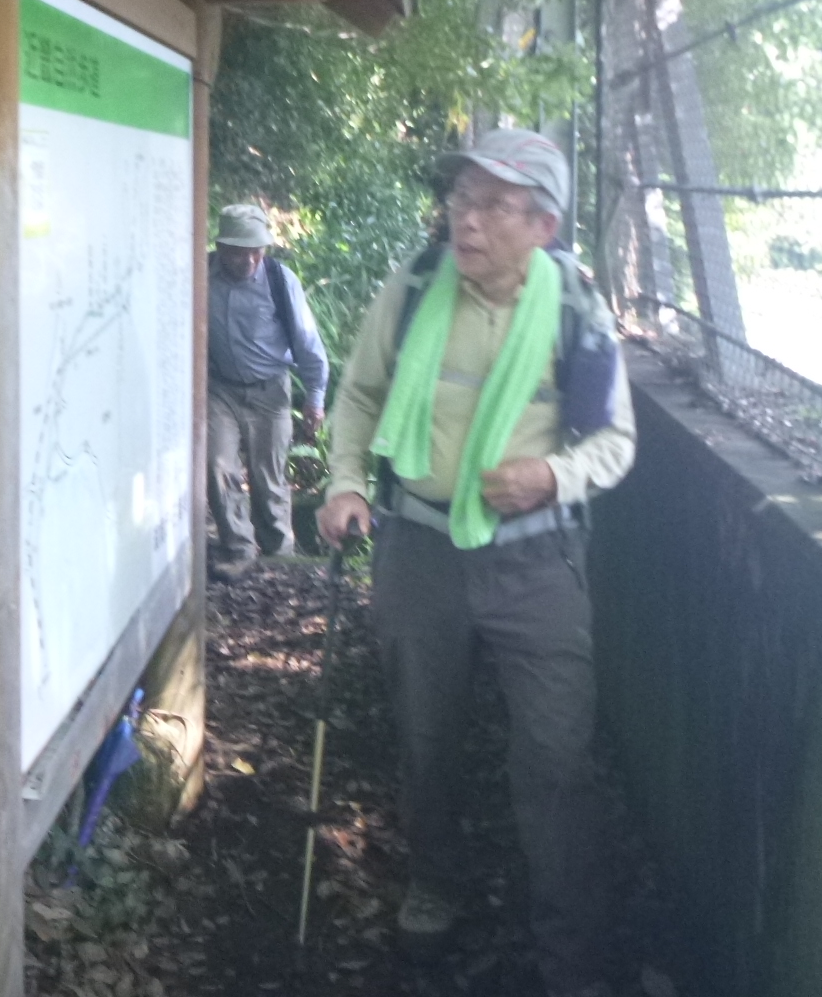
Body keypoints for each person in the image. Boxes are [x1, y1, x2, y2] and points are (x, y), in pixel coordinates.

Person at [316, 129, 635, 997]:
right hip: (420, 549)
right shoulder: (416, 286)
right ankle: (435, 882)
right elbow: (361, 394)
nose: (468, 220)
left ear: (543, 225)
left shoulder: (577, 308)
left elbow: (615, 440)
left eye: (495, 205)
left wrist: (553, 477)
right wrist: (346, 484)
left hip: (538, 562)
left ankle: (571, 947)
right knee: (426, 734)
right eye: (461, 199)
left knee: (557, 756)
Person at [207, 203, 330, 580]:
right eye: (238, 251)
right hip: (220, 389)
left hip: (271, 391)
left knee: (269, 478)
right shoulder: (201, 274)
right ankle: (239, 549)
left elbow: (308, 342)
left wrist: (315, 399)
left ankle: (279, 558)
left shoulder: (279, 280)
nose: (249, 259)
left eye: (256, 250)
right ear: (221, 247)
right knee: (217, 466)